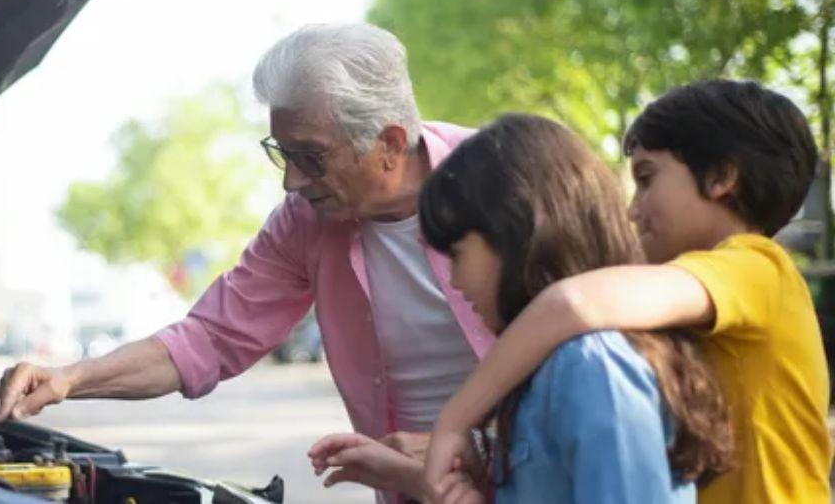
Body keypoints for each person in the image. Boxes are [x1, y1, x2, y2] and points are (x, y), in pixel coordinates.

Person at [0, 23, 495, 500]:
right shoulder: (304, 222)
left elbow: (569, 341)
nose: (292, 182)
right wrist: (69, 379)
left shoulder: (506, 179)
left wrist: (475, 447)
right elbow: (209, 338)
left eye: (311, 157)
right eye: (283, 153)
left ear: (387, 143)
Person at [424, 80, 831, 503]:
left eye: (647, 178)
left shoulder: (757, 268)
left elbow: (573, 303)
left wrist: (454, 420)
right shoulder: (702, 294)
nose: (633, 210)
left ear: (722, 177)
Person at [309, 114, 733, 503]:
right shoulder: (542, 372)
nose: (454, 281)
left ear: (517, 234)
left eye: (457, 254)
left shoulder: (591, 368)